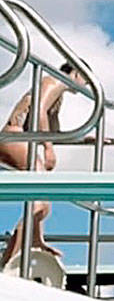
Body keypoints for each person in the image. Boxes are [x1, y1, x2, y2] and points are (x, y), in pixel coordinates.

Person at [0, 60, 87, 265]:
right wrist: (48, 148)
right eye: (86, 79)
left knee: (41, 197)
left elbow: (54, 131)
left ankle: (35, 240)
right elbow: (38, 111)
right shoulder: (54, 81)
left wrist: (83, 139)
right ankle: (8, 262)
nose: (85, 86)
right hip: (13, 137)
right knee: (40, 201)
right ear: (75, 72)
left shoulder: (58, 95)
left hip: (16, 139)